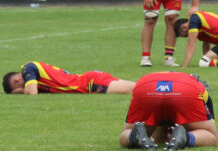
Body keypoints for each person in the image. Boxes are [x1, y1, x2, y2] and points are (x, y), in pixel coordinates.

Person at [119, 72, 218, 151]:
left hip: (146, 86)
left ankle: (134, 136)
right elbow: (208, 130)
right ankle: (186, 137)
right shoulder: (199, 88)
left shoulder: (188, 81)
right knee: (212, 135)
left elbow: (160, 138)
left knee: (128, 131)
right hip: (184, 89)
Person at [3, 61, 135, 94]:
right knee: (136, 87)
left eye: (18, 87)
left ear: (17, 81)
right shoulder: (37, 76)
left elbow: (32, 93)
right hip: (90, 80)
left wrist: (21, 91)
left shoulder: (28, 68)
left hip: (90, 83)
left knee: (134, 90)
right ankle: (155, 83)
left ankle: (155, 86)